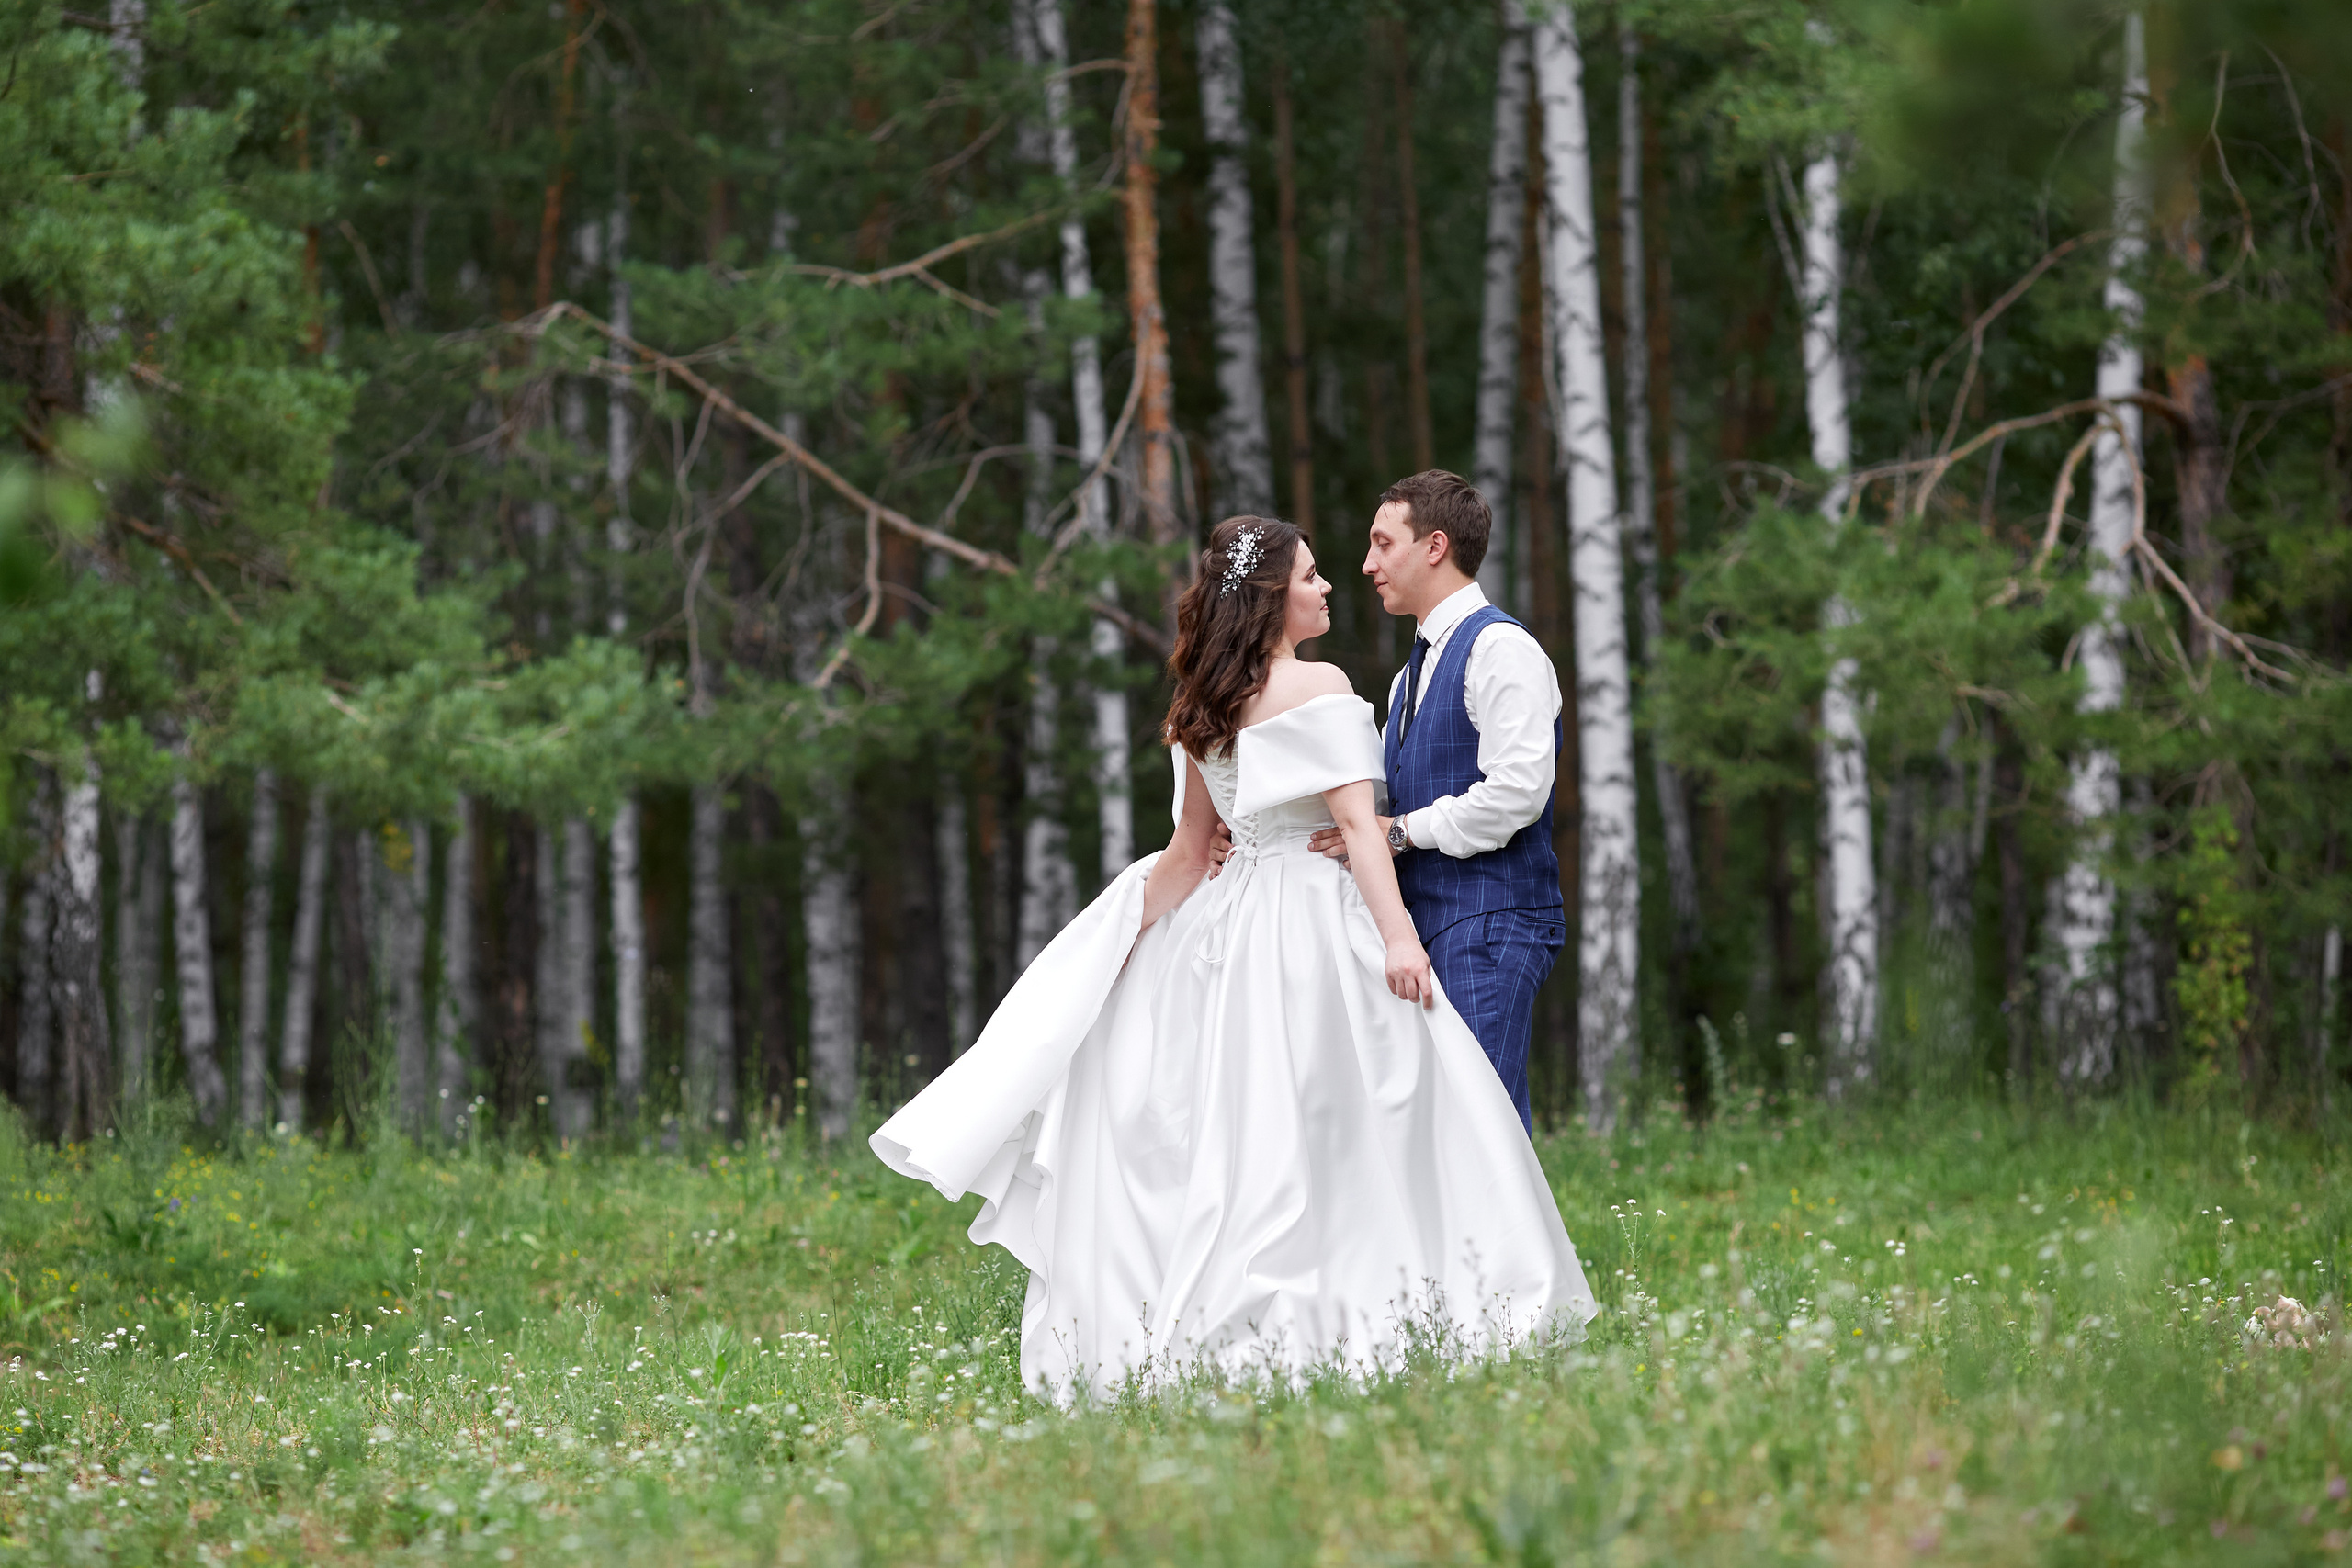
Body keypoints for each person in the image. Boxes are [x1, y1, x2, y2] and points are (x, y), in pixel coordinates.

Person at [870, 515, 1596, 1405]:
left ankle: (1247, 1312)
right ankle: (1388, 1302)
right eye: (1311, 578)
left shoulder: (1199, 707)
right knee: (1352, 1119)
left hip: (1228, 930)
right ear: (1270, 599)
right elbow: (1361, 829)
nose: (1329, 587)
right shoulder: (1320, 685)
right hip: (1315, 920)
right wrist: (1400, 941)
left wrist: (1114, 956)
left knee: (1244, 1125)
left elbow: (1185, 855)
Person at [1309, 470, 1565, 1133]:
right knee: (1442, 1135)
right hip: (1429, 929)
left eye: (1382, 543)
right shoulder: (1406, 678)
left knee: (1483, 1130)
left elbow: (1517, 794)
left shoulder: (1501, 649)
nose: (1367, 565)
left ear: (1434, 545)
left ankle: (1508, 1243)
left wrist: (1400, 834)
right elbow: (1380, 799)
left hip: (1490, 920)